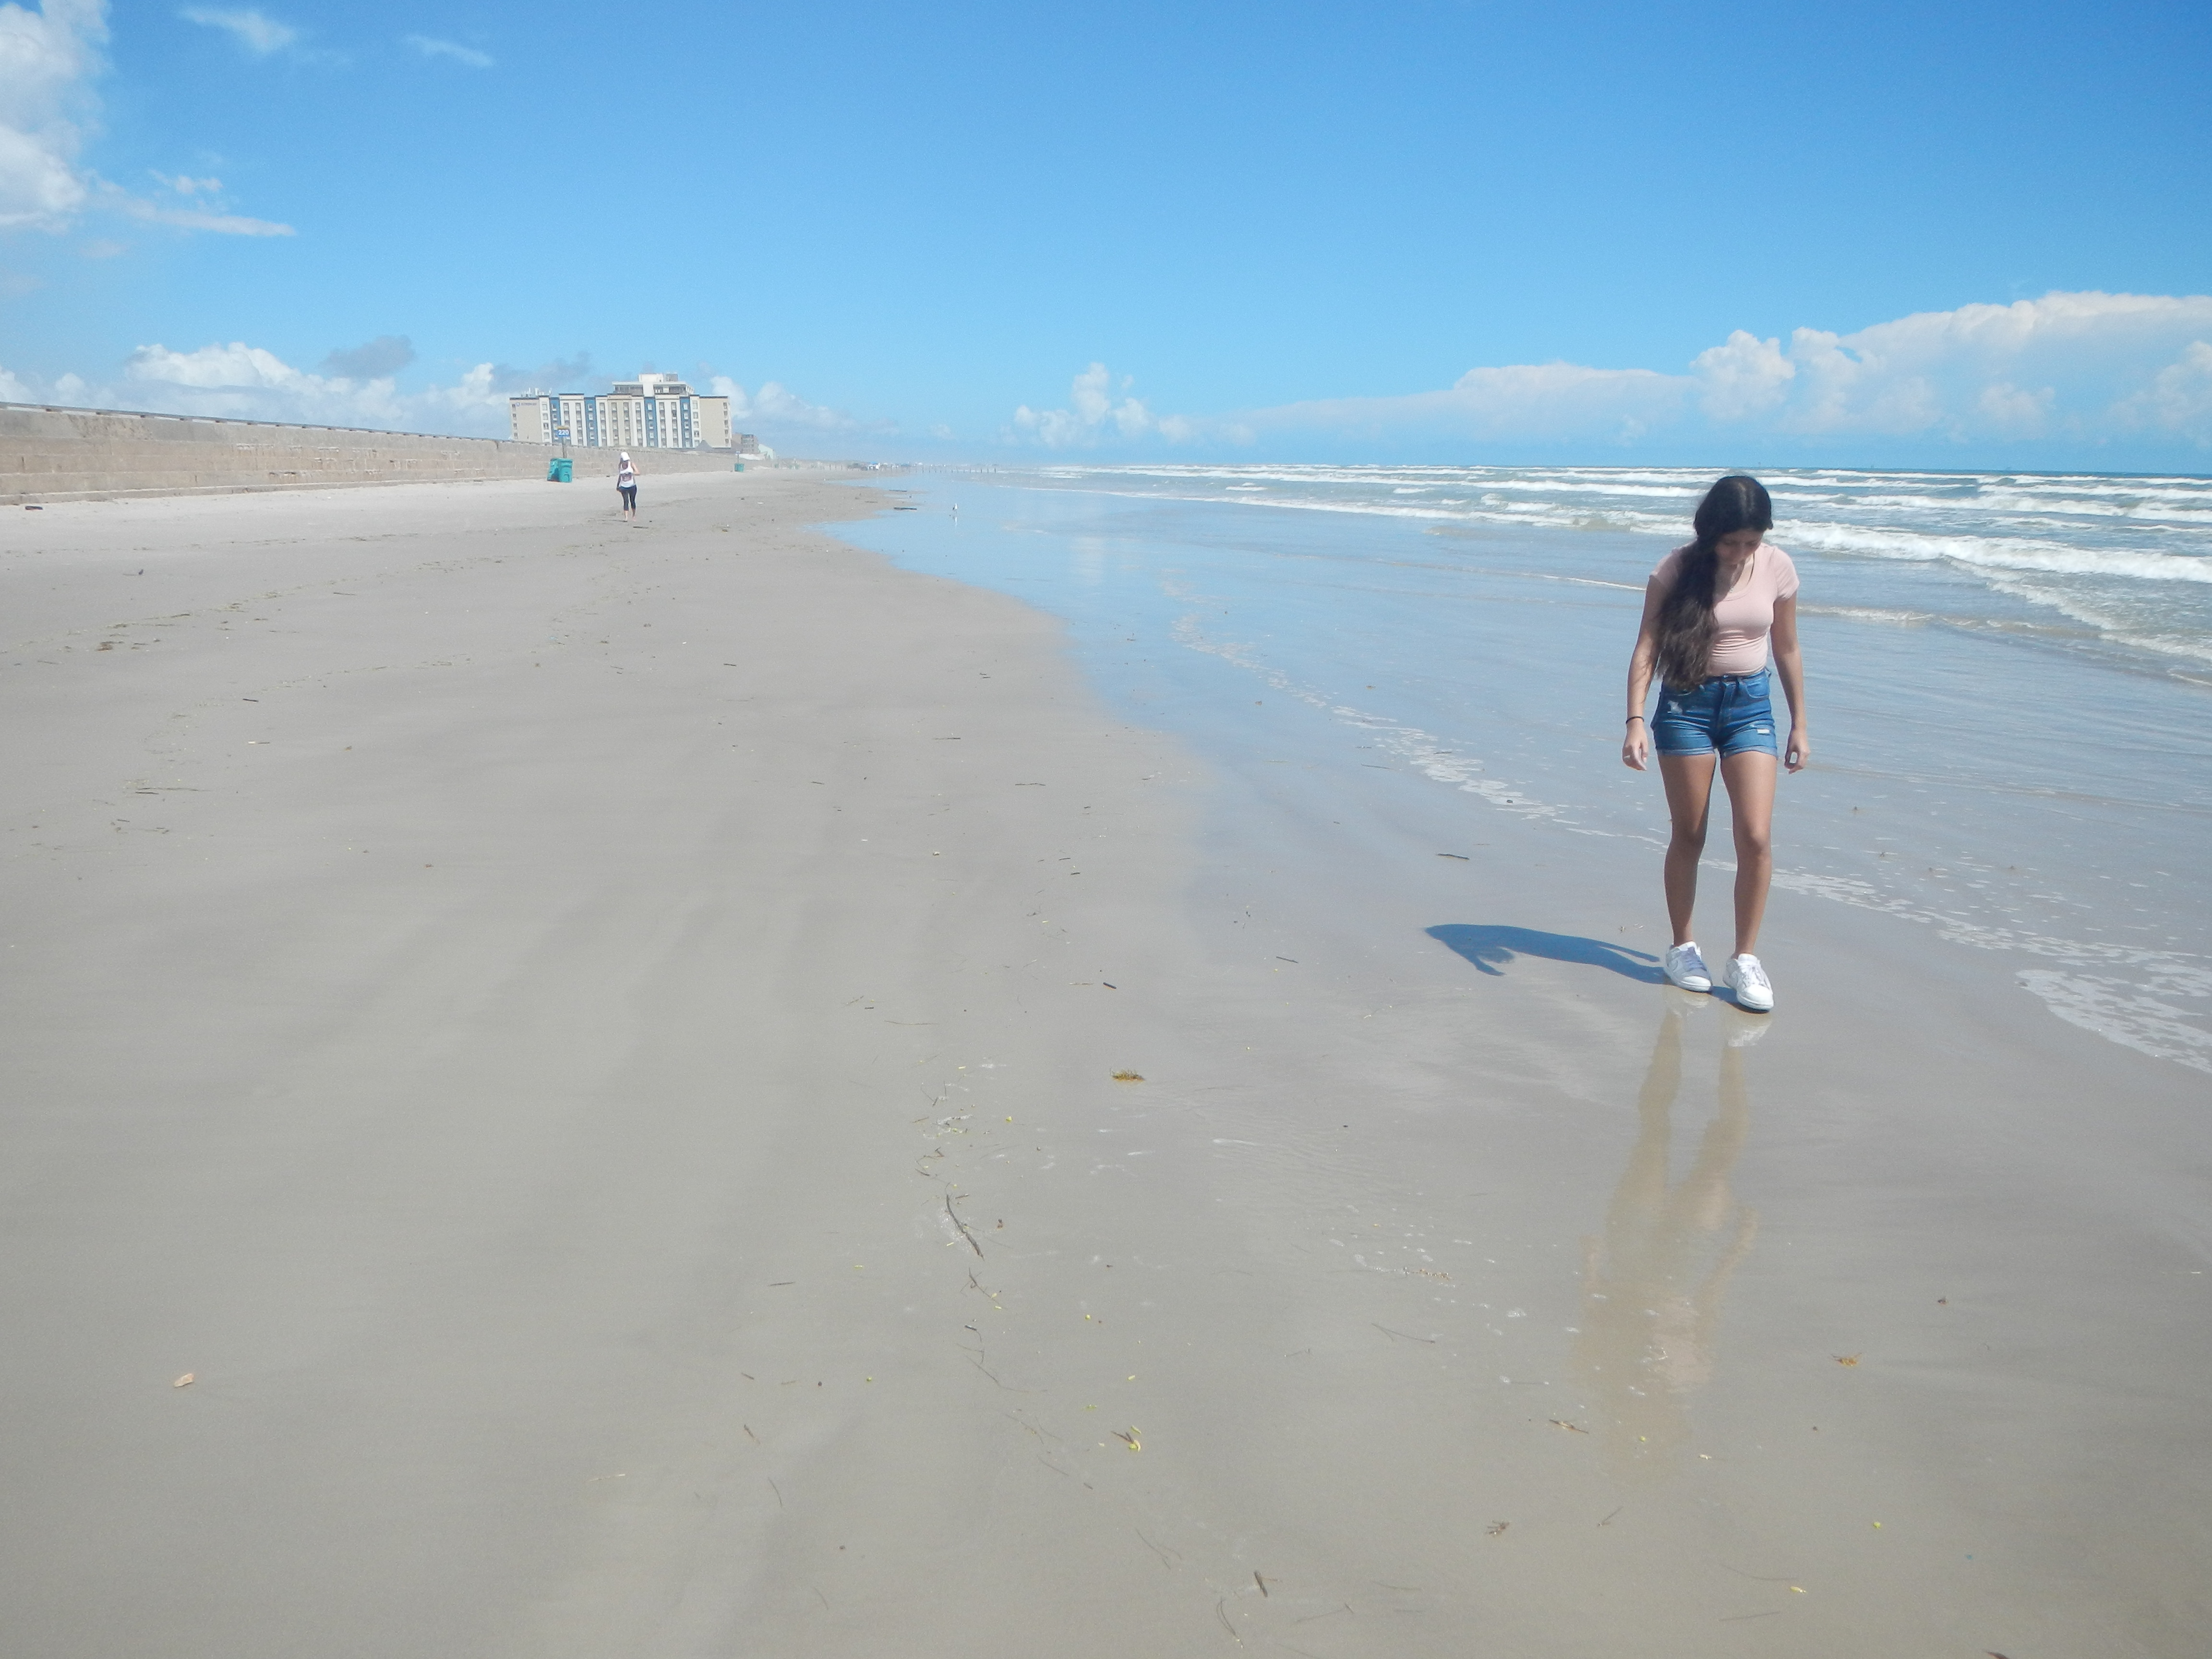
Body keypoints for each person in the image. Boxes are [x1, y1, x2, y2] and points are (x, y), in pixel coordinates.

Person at [1623, 475, 1808, 1011]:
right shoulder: (1676, 569)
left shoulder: (1778, 567)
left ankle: (1745, 958)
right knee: (1692, 833)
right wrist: (1635, 719)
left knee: (1755, 835)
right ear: (1710, 534)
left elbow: (1788, 648)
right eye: (1731, 543)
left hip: (1752, 706)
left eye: (1751, 542)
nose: (1741, 553)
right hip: (1686, 707)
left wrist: (1799, 722)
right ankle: (1683, 948)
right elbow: (1646, 649)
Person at [616, 452, 639, 523]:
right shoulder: (620, 467)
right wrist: (618, 485)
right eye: (624, 461)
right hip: (623, 486)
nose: (626, 462)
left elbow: (638, 473)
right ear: (622, 460)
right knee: (626, 501)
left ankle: (634, 516)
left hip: (632, 486)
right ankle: (626, 518)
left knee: (633, 501)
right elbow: (620, 476)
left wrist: (631, 473)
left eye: (627, 460)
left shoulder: (631, 464)